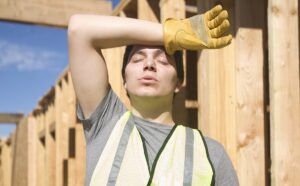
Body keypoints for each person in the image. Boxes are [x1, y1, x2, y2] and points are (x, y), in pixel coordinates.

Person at [68, 4, 238, 186]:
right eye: (138, 59)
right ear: (124, 79)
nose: (149, 64)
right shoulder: (105, 125)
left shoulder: (211, 154)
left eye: (163, 60)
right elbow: (79, 30)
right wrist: (169, 33)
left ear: (178, 82)